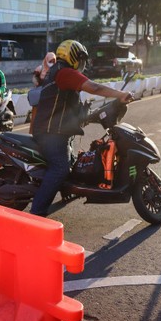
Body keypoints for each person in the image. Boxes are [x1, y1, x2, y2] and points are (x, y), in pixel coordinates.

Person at [30, 40, 134, 217]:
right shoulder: (64, 73)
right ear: (71, 57)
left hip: (57, 132)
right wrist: (120, 94)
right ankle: (36, 213)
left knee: (71, 166)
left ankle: (64, 190)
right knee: (60, 168)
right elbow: (94, 87)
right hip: (51, 134)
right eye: (81, 59)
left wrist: (94, 114)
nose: (83, 64)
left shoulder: (59, 73)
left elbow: (68, 108)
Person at [29, 52, 57, 133]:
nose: (52, 63)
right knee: (35, 116)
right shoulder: (40, 68)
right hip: (39, 96)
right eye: (50, 61)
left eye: (53, 61)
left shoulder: (56, 70)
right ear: (46, 59)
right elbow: (34, 78)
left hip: (50, 97)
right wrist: (37, 83)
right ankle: (32, 133)